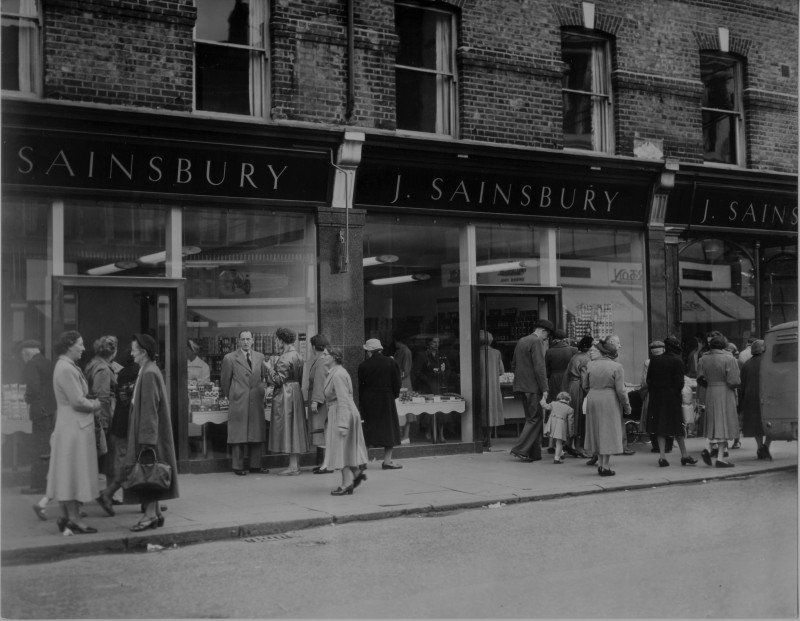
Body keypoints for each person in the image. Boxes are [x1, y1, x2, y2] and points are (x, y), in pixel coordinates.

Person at [46, 331, 103, 535]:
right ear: (70, 345)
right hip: (73, 428)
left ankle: (66, 516)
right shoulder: (65, 369)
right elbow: (77, 401)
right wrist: (96, 404)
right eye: (80, 344)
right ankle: (74, 519)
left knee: (67, 472)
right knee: (72, 473)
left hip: (71, 426)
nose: (83, 348)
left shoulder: (65, 366)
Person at [124, 334, 179, 531]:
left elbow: (149, 409)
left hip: (148, 434)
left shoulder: (148, 373)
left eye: (134, 350)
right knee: (151, 473)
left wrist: (146, 441)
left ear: (144, 353)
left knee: (147, 472)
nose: (131, 353)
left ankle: (148, 516)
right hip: (151, 433)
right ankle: (155, 513)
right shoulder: (149, 370)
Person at [95, 355, 139, 517]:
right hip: (127, 425)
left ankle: (149, 503)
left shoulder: (125, 372)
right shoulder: (137, 372)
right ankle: (108, 493)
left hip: (120, 423)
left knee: (129, 463)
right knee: (128, 463)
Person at [220, 330, 268, 476]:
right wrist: (233, 395)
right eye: (243, 339)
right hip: (238, 400)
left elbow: (264, 377)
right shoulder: (229, 358)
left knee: (256, 433)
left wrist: (262, 392)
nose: (246, 342)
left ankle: (255, 465)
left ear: (253, 340)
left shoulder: (260, 357)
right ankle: (238, 466)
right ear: (238, 341)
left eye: (248, 339)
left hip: (256, 399)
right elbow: (225, 382)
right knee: (238, 434)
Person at [645, 336, 697, 467]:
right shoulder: (677, 362)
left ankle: (662, 456)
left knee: (660, 426)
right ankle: (684, 455)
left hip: (657, 397)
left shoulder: (654, 360)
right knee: (677, 427)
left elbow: (648, 380)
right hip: (672, 398)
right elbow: (679, 383)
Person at [582, 336, 630, 477]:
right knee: (608, 432)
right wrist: (627, 406)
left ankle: (601, 464)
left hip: (593, 398)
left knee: (597, 431)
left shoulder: (590, 365)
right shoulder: (617, 367)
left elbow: (584, 385)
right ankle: (605, 466)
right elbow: (621, 391)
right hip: (609, 399)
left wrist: (594, 392)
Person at [324, 348, 369, 495]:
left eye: (326, 355)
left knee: (340, 449)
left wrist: (342, 424)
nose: (323, 357)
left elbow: (342, 400)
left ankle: (346, 484)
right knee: (346, 448)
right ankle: (356, 473)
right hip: (343, 411)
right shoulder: (337, 372)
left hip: (342, 413)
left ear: (334, 357)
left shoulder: (337, 375)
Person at [509, 319, 553, 462]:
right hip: (533, 387)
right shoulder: (536, 342)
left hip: (522, 386)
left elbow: (514, 364)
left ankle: (534, 452)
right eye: (547, 335)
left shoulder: (522, 340)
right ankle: (520, 449)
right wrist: (545, 388)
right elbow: (540, 367)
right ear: (542, 331)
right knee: (535, 418)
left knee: (530, 418)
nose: (547, 339)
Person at [266, 327, 308, 475]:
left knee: (288, 427)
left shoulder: (284, 358)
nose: (276, 342)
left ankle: (292, 467)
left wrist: (269, 369)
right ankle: (295, 464)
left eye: (277, 339)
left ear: (281, 340)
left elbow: (278, 380)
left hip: (286, 394)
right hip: (296, 391)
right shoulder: (298, 355)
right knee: (295, 427)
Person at [20, 340, 57, 506]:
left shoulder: (31, 365)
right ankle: (45, 481)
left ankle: (37, 484)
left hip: (39, 410)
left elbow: (33, 389)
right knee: (46, 446)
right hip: (50, 410)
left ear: (26, 354)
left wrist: (26, 398)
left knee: (38, 446)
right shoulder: (48, 363)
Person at [358, 338, 403, 469]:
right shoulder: (391, 362)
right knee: (389, 428)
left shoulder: (363, 365)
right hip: (386, 398)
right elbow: (397, 384)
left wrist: (362, 403)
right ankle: (387, 461)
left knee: (368, 429)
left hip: (369, 399)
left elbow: (361, 387)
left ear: (369, 351)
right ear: (380, 349)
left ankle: (363, 461)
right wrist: (391, 395)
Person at [697, 334, 740, 468]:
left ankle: (709, 449)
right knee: (724, 423)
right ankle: (720, 457)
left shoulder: (703, 358)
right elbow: (734, 380)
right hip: (725, 391)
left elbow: (700, 379)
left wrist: (710, 384)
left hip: (710, 390)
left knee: (712, 422)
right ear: (724, 345)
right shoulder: (729, 358)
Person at [84, 335, 118, 479]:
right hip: (102, 415)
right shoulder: (103, 369)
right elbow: (102, 397)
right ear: (114, 351)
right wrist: (103, 424)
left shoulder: (93, 364)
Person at [544, 328, 577, 454]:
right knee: (569, 410)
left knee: (554, 410)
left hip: (554, 380)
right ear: (566, 338)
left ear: (554, 338)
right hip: (569, 380)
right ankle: (569, 443)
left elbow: (546, 371)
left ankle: (552, 444)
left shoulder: (549, 352)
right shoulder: (573, 350)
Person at [738, 339, 771, 460]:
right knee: (769, 423)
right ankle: (765, 446)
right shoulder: (768, 362)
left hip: (750, 397)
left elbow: (742, 385)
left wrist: (740, 404)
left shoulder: (747, 365)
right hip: (766, 396)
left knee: (756, 423)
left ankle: (759, 447)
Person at [306, 334, 334, 473]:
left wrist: (315, 401)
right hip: (327, 400)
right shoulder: (326, 358)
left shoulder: (322, 361)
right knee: (325, 432)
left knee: (322, 432)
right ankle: (326, 463)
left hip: (322, 402)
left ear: (313, 347)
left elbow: (319, 381)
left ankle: (326, 465)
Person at [563, 335, 593, 458]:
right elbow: (585, 379)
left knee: (572, 415)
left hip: (571, 386)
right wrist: (590, 392)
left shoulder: (575, 356)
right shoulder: (586, 359)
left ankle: (569, 444)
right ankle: (580, 447)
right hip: (579, 388)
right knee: (580, 417)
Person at [478, 330, 505, 449]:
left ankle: (482, 438)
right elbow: (501, 371)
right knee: (491, 412)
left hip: (479, 387)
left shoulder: (475, 353)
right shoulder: (496, 353)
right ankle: (488, 438)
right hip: (493, 387)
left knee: (480, 412)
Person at [392, 332, 414, 444]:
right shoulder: (402, 351)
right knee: (402, 409)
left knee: (406, 409)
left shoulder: (405, 351)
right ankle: (403, 435)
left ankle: (405, 435)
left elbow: (405, 370)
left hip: (403, 383)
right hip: (402, 382)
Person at [543, 392, 574, 464]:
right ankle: (557, 459)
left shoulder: (553, 403)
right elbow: (570, 422)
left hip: (551, 424)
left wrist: (542, 400)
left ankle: (561, 453)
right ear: (568, 400)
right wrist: (570, 433)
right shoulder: (570, 409)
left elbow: (545, 406)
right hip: (560, 427)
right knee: (559, 442)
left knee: (553, 439)